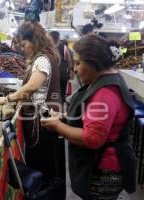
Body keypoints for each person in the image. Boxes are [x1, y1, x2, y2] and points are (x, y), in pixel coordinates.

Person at [41, 35, 136, 200]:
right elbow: (91, 116)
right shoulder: (105, 79)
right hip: (102, 164)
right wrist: (64, 116)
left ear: (94, 64)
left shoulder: (105, 94)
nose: (75, 69)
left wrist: (58, 126)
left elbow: (93, 138)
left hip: (102, 168)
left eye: (78, 63)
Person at [0, 21, 64, 180]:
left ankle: (44, 192)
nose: (22, 48)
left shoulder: (42, 59)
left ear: (35, 41)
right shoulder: (46, 56)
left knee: (42, 162)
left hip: (43, 118)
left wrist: (7, 98)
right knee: (44, 161)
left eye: (24, 44)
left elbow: (33, 86)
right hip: (46, 114)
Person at [50, 31, 73, 104]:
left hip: (52, 75)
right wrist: (70, 73)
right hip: (63, 74)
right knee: (62, 93)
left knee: (51, 93)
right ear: (58, 37)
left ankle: (52, 110)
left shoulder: (48, 48)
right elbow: (69, 61)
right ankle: (61, 110)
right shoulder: (64, 47)